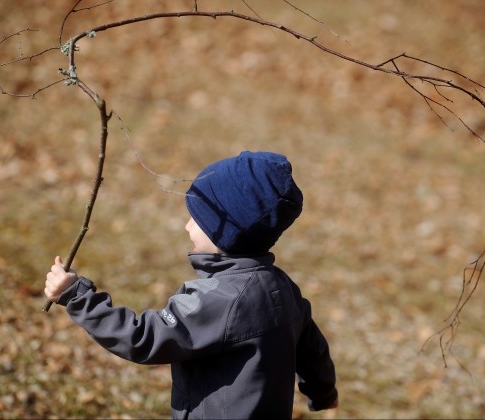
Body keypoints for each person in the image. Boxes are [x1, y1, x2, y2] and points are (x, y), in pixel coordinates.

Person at [45, 151, 338, 419]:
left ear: (227, 233)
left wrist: (75, 296)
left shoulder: (220, 300)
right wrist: (323, 392)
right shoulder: (282, 287)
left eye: (197, 219)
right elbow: (311, 346)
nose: (187, 226)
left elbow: (145, 338)